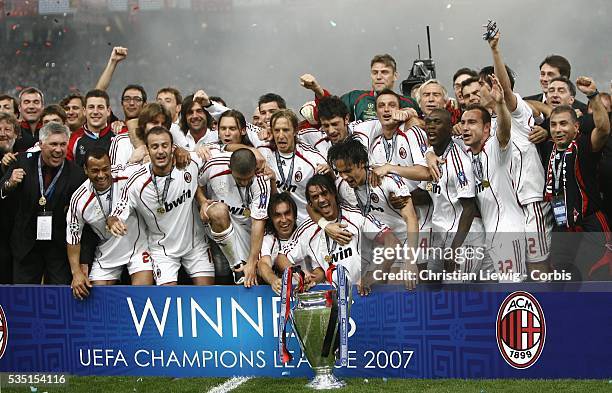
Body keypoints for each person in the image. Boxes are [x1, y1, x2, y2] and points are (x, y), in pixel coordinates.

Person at [107, 126, 215, 286]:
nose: (160, 151)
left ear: (173, 147)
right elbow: (116, 213)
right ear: (147, 150)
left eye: (165, 145)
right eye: (155, 146)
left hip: (195, 244)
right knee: (168, 299)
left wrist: (255, 154)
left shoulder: (188, 163)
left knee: (208, 294)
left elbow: (220, 149)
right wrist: (113, 221)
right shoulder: (136, 181)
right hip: (162, 251)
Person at [276, 174, 417, 295]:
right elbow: (282, 257)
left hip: (364, 292)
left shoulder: (356, 216)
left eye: (325, 193)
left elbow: (392, 242)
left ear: (334, 194)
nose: (321, 199)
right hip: (331, 298)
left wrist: (375, 274)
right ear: (310, 203)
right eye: (315, 197)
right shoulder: (308, 229)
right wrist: (299, 275)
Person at [485, 31, 553, 276]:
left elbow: (506, 90)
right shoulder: (485, 125)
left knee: (537, 267)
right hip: (506, 211)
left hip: (530, 200)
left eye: (482, 85)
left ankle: (545, 312)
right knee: (515, 273)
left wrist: (495, 50)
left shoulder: (517, 111)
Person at [0, 122, 85, 284]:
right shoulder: (22, 162)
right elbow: (2, 190)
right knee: (23, 300)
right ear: (40, 144)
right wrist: (9, 183)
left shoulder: (76, 175)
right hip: (25, 246)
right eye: (53, 144)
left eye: (62, 144)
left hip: (58, 248)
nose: (59, 150)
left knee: (59, 299)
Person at [543, 87, 611, 280]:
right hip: (562, 226)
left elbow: (604, 128)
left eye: (564, 124)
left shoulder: (584, 145)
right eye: (554, 125)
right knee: (561, 283)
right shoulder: (547, 146)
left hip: (591, 223)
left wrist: (593, 95)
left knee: (597, 281)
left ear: (576, 127)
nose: (558, 129)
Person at [66, 149, 152, 300]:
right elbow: (73, 238)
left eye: (105, 169)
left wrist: (179, 151)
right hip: (107, 251)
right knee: (96, 300)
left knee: (141, 296)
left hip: (137, 245)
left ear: (111, 165)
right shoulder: (79, 199)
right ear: (85, 170)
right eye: (95, 170)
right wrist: (76, 272)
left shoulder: (127, 174)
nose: (101, 175)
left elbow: (156, 163)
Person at [419, 109, 492, 279]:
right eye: (428, 122)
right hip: (441, 234)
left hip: (463, 236)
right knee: (429, 282)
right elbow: (427, 191)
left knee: (456, 294)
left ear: (450, 128)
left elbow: (469, 208)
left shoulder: (460, 161)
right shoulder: (432, 157)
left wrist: (455, 249)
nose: (431, 126)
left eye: (437, 122)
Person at [199, 148, 271, 286]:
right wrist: (202, 201)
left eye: (248, 179)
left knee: (252, 276)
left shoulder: (262, 178)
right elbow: (198, 184)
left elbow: (258, 223)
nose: (244, 183)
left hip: (247, 227)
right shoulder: (214, 165)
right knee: (218, 211)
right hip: (221, 222)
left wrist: (251, 262)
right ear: (229, 167)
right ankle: (236, 266)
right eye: (239, 179)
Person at [300, 54, 419, 122]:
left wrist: (410, 114)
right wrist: (317, 90)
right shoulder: (355, 98)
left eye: (384, 72)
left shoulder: (409, 103)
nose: (379, 77)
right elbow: (332, 111)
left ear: (395, 76)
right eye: (375, 72)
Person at [263, 109, 329, 222]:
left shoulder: (312, 159)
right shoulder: (264, 154)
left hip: (308, 223)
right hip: (280, 224)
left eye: (286, 130)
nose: (280, 135)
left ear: (295, 131)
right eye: (277, 130)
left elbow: (329, 195)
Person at [258, 192, 298, 293]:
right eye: (278, 215)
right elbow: (263, 264)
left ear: (295, 215)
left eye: (287, 213)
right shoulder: (268, 238)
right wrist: (273, 280)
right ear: (271, 219)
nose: (284, 220)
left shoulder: (304, 233)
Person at [95, 46, 147, 123]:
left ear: (145, 105)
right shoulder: (114, 128)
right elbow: (96, 96)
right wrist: (113, 61)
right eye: (127, 99)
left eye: (137, 99)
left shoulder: (150, 130)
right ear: (122, 104)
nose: (131, 103)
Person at [66, 89, 115, 167]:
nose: (95, 112)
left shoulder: (118, 134)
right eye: (91, 107)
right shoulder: (73, 140)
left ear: (108, 111)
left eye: (100, 107)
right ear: (84, 111)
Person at [13, 87, 44, 152]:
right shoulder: (11, 130)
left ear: (42, 107)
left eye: (36, 102)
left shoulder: (50, 130)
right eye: (27, 102)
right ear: (19, 108)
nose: (31, 106)